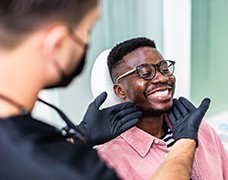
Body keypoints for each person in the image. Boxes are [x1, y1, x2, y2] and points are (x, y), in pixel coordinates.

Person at [0, 1, 214, 179]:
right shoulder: (81, 167)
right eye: (88, 30)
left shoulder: (24, 146)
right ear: (57, 43)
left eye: (164, 68)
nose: (160, 77)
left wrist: (79, 136)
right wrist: (185, 142)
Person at [95, 37, 228, 180]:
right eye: (145, 73)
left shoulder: (201, 130)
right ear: (120, 91)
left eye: (165, 69)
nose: (162, 78)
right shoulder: (106, 161)